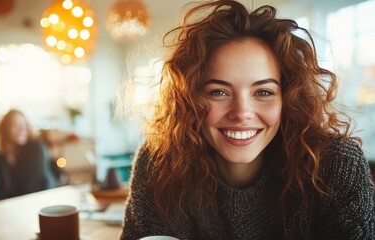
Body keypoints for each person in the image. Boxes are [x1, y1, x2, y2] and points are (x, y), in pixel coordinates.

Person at [120, 0, 375, 239]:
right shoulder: (159, 161)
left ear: (288, 99)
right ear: (189, 100)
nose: (241, 112)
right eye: (218, 92)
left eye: (263, 92)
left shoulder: (336, 166)